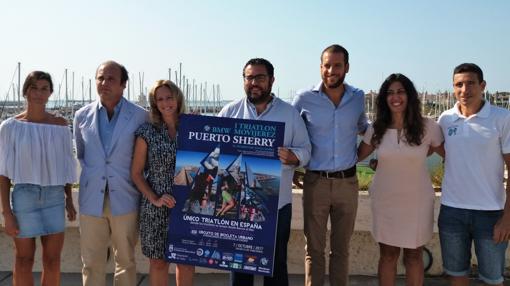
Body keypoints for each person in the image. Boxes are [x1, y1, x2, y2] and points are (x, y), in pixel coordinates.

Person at [218, 58, 311, 286]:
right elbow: (211, 148)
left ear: (271, 80)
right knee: (239, 265)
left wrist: (294, 157)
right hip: (237, 205)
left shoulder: (289, 114)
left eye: (260, 77)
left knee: (276, 265)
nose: (254, 83)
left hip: (277, 205)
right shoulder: (230, 111)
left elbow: (306, 149)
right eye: (249, 78)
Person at [292, 44, 368, 286]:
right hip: (316, 183)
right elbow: (291, 133)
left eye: (337, 65)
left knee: (341, 249)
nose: (331, 70)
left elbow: (366, 129)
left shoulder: (357, 97)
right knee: (313, 249)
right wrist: (294, 167)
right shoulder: (304, 98)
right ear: (320, 67)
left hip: (348, 183)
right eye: (327, 65)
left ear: (347, 67)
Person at [357, 73, 443, 286]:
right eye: (390, 93)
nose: (395, 97)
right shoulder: (376, 128)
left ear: (410, 96)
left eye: (401, 91)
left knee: (414, 256)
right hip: (385, 200)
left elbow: (448, 154)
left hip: (417, 202)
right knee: (387, 255)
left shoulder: (429, 126)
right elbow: (356, 156)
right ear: (384, 98)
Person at [74, 60, 148, 286]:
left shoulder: (140, 116)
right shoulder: (81, 116)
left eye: (111, 79)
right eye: (100, 78)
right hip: (90, 199)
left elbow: (144, 158)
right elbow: (82, 155)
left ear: (124, 84)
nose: (104, 83)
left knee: (125, 261)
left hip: (125, 197)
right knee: (91, 262)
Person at [0, 71, 77, 286]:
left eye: (44, 88)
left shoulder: (61, 126)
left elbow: (65, 165)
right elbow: (3, 173)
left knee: (52, 261)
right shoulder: (9, 127)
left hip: (54, 197)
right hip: (24, 196)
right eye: (34, 87)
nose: (39, 93)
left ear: (50, 93)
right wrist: (7, 212)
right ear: (25, 91)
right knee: (24, 260)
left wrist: (69, 199)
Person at [437, 63, 510, 286]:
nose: (464, 89)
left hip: (490, 214)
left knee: (492, 278)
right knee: (456, 275)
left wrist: (507, 218)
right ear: (453, 88)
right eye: (459, 84)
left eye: (470, 83)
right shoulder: (445, 119)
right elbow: (437, 150)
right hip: (451, 211)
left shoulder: (502, 118)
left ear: (483, 86)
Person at [131, 80, 194, 286]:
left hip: (188, 206)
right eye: (160, 99)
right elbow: (137, 173)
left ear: (177, 98)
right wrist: (155, 198)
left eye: (169, 97)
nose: (166, 102)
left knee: (185, 262)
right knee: (158, 262)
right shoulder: (147, 132)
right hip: (156, 207)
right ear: (154, 103)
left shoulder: (194, 129)